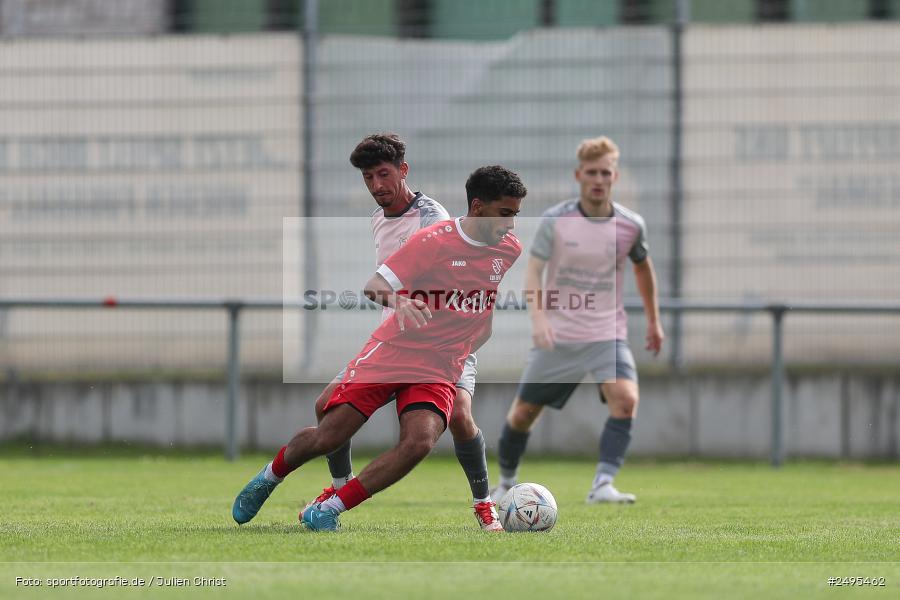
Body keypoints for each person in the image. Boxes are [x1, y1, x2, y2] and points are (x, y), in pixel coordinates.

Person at [232, 165, 526, 531]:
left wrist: (472, 340)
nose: (512, 225)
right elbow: (374, 285)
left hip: (440, 366)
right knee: (330, 435)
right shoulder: (433, 240)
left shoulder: (508, 249)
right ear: (479, 207)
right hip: (394, 352)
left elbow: (484, 296)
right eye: (506, 214)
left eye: (515, 214)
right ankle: (270, 476)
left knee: (420, 442)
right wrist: (401, 303)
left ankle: (329, 509)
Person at [303, 133, 503, 531]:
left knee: (460, 416)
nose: (377, 185)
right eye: (368, 178)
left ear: (403, 171)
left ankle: (484, 504)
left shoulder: (434, 218)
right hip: (394, 339)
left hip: (443, 341)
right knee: (326, 406)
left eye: (383, 174)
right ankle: (339, 487)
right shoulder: (378, 219)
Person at [491, 136, 663, 504]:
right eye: (591, 172)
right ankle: (505, 483)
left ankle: (602, 485)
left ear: (614, 176)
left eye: (605, 172)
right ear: (578, 175)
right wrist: (538, 320)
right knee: (522, 415)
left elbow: (644, 269)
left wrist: (653, 321)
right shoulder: (557, 220)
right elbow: (533, 273)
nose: (598, 179)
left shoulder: (631, 225)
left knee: (626, 400)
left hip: (606, 334)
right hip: (559, 334)